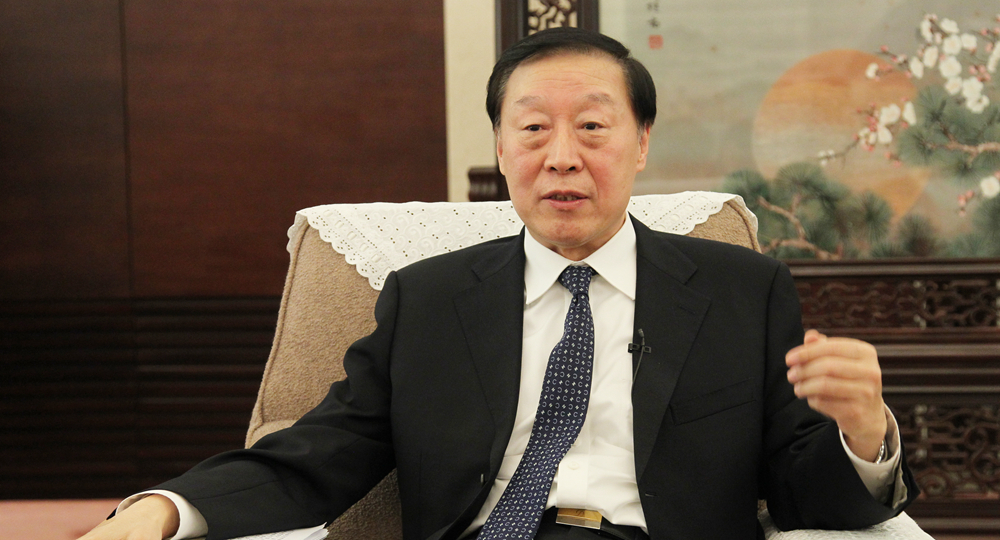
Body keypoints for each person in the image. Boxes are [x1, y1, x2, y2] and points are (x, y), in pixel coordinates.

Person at [79, 27, 917, 540]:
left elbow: (805, 495)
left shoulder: (742, 291)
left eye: (593, 126)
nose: (562, 157)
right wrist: (164, 509)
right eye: (533, 129)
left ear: (641, 143)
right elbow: (316, 456)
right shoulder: (427, 299)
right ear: (502, 146)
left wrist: (861, 432)